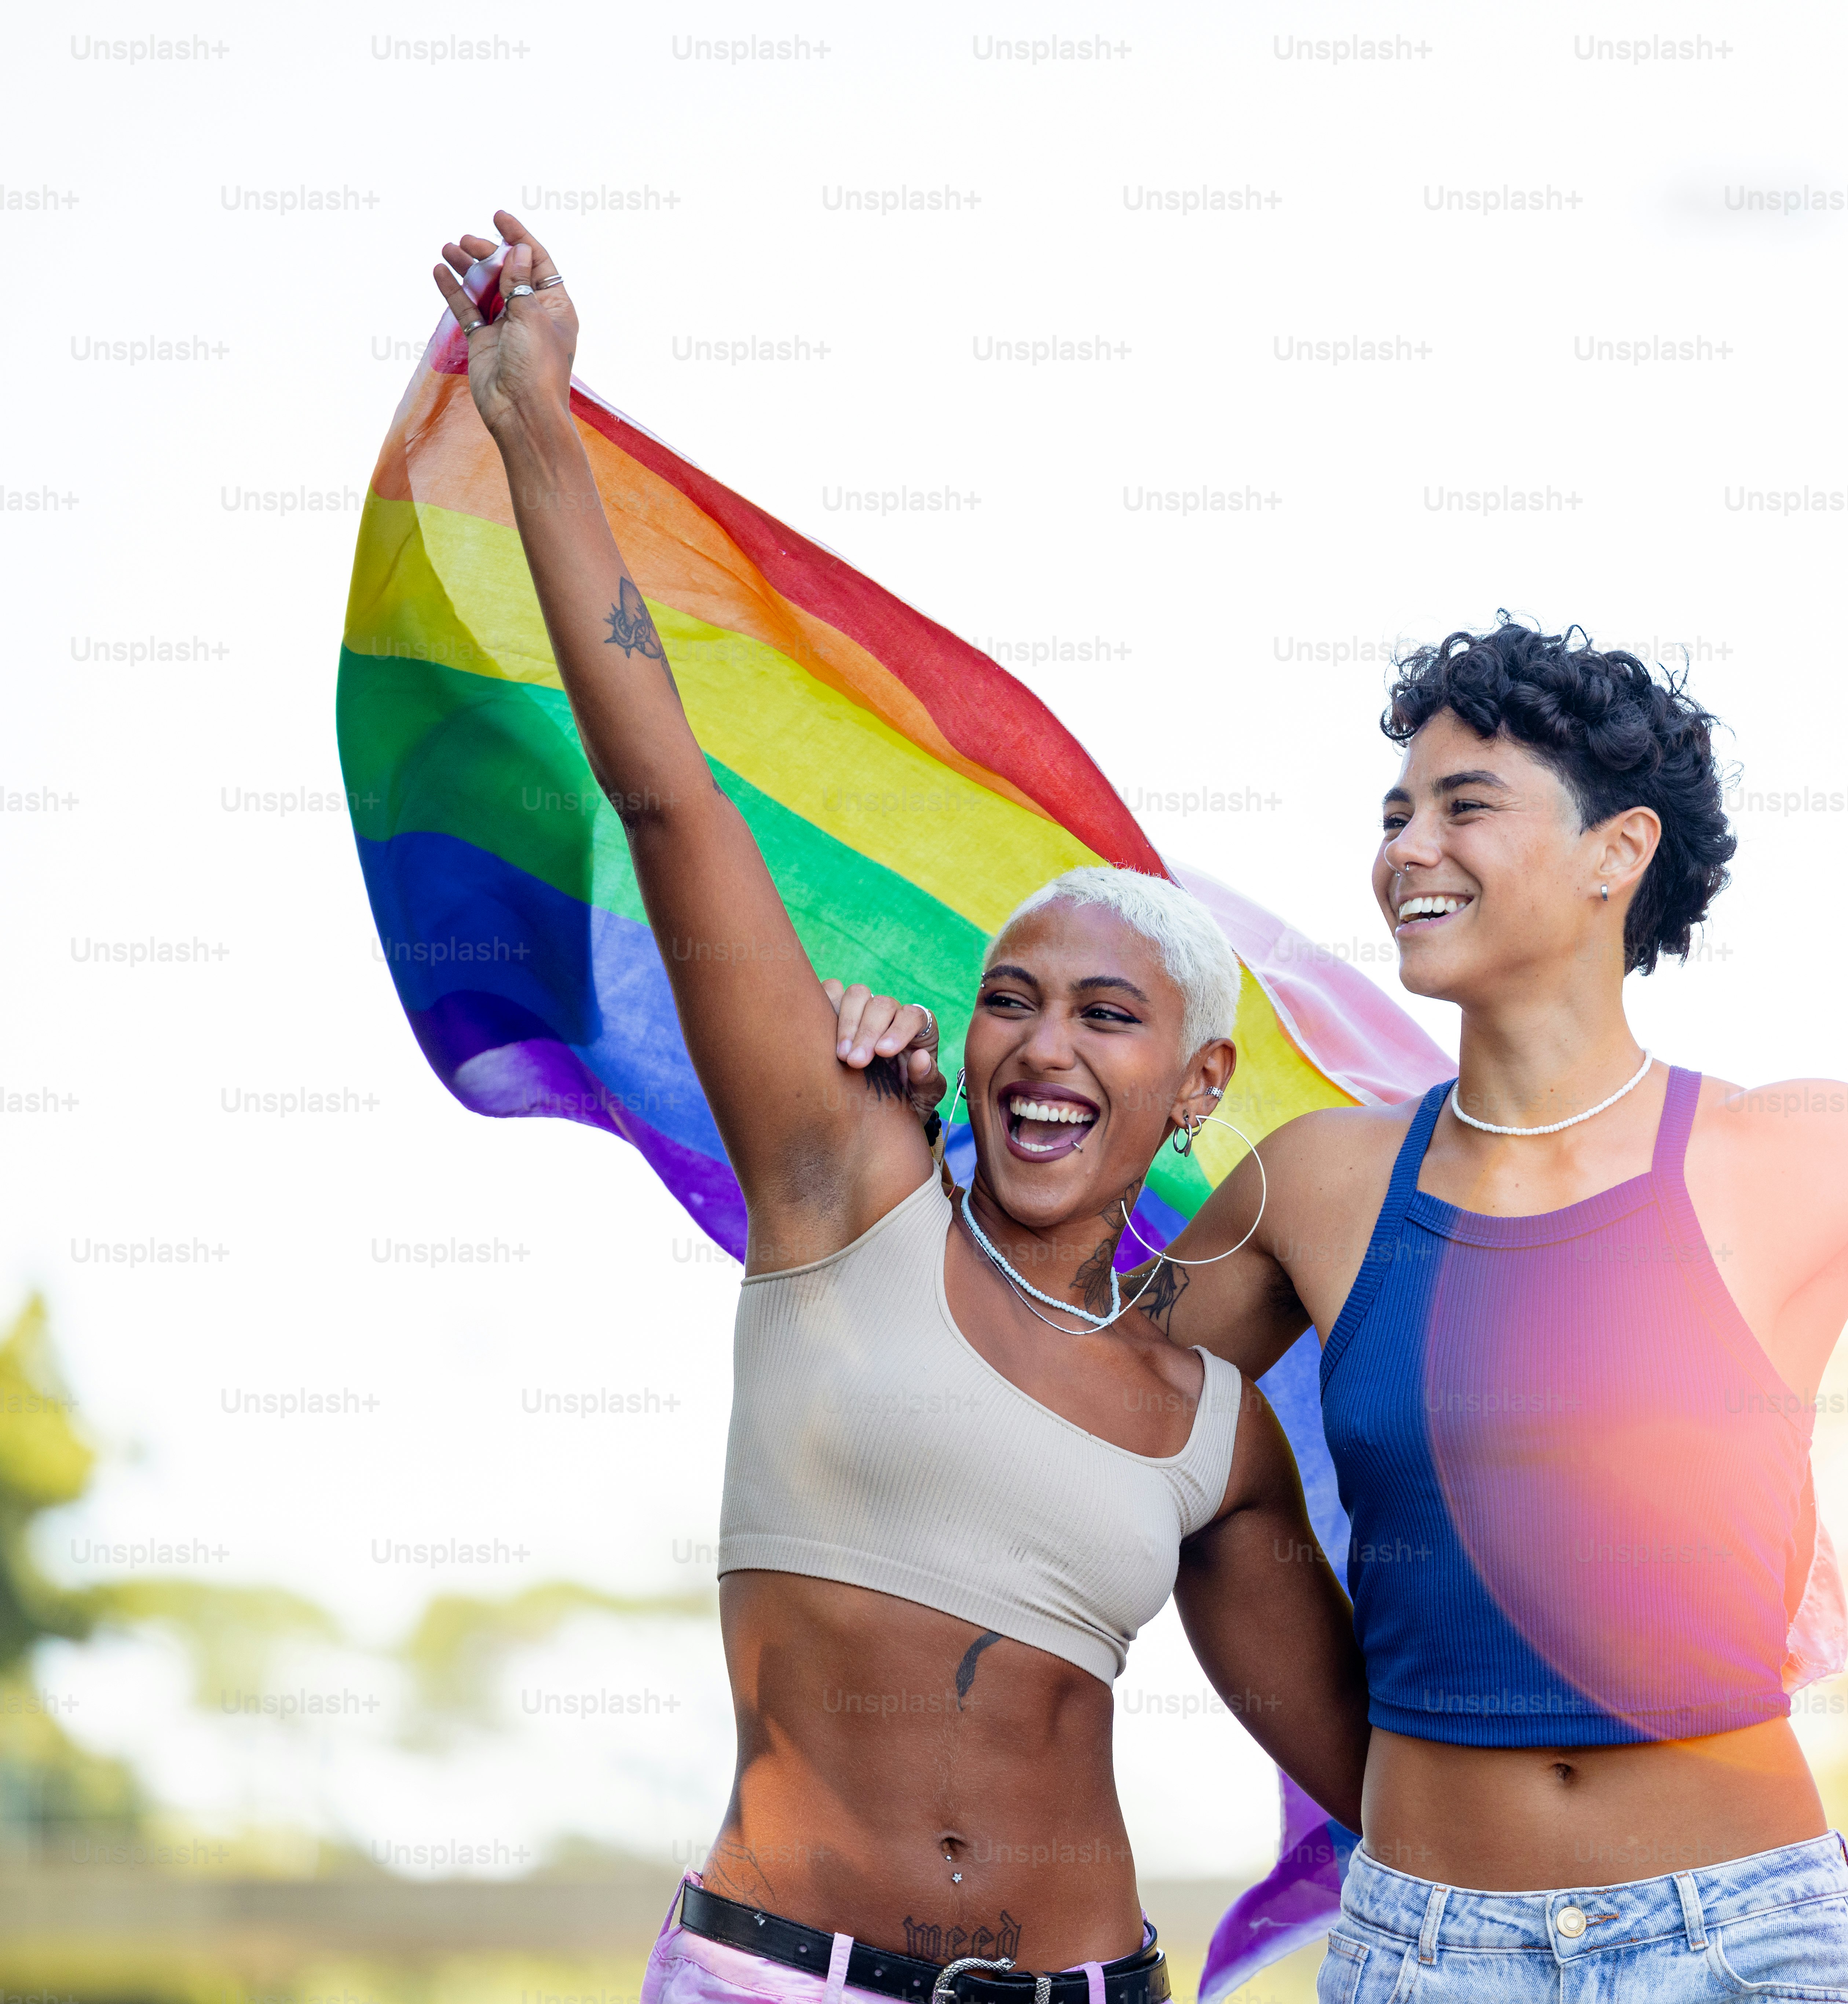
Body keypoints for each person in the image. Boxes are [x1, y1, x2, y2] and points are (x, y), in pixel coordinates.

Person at [841, 619, 1848, 1998]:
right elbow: (1051, 1428)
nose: (1403, 849)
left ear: (1613, 853)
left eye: (1463, 806)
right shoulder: (1316, 1186)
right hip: (1426, 1949)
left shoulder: (1811, 1157)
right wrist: (899, 1142)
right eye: (1395, 808)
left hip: (1742, 1942)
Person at [424, 214, 1365, 2004]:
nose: (1041, 1047)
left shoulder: (1214, 1432)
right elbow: (667, 793)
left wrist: (1668, 1841)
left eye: (1108, 1014)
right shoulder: (841, 1182)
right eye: (1009, 1000)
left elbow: (1378, 1786)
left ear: (1199, 1085)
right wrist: (536, 416)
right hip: (779, 1975)